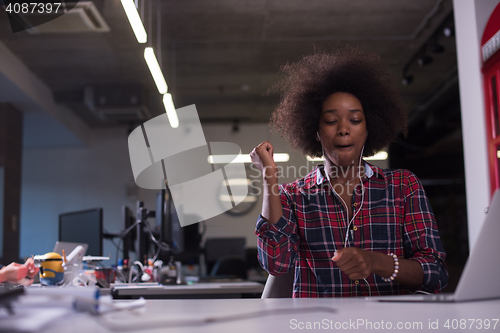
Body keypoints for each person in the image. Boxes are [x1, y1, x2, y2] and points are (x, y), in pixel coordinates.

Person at [251, 47, 448, 297]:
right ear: (316, 131)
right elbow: (276, 265)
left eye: (355, 120)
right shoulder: (293, 196)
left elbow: (436, 275)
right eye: (331, 121)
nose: (344, 129)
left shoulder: (403, 186)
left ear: (369, 129)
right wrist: (269, 179)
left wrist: (377, 262)